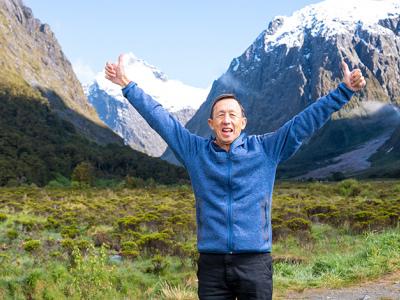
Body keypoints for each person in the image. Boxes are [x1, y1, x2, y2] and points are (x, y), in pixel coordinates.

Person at [105, 54, 366, 300]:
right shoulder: (194, 152)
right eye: (220, 115)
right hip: (212, 264)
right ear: (211, 124)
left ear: (243, 123)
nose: (226, 119)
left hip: (255, 262)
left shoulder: (266, 149)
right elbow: (161, 119)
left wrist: (344, 90)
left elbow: (304, 122)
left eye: (232, 115)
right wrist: (127, 85)